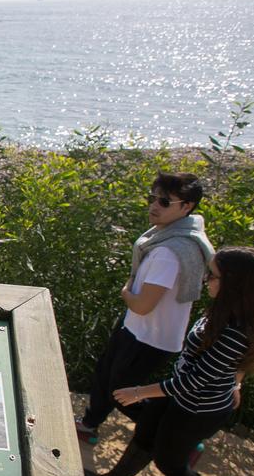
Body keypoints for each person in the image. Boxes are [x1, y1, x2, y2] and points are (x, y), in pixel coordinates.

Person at [84, 246, 254, 476]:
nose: (206, 280)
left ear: (235, 284)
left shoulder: (236, 331)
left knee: (170, 461)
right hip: (180, 396)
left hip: (197, 408)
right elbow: (229, 365)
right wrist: (236, 382)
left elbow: (194, 382)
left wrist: (138, 391)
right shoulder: (225, 312)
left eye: (213, 275)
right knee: (146, 432)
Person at [76, 172, 214, 442]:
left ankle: (176, 438)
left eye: (164, 202)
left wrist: (125, 291)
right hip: (137, 330)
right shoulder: (173, 236)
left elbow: (142, 305)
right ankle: (89, 424)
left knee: (122, 393)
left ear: (187, 207)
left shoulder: (169, 252)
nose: (154, 206)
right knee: (106, 376)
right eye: (152, 198)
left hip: (149, 337)